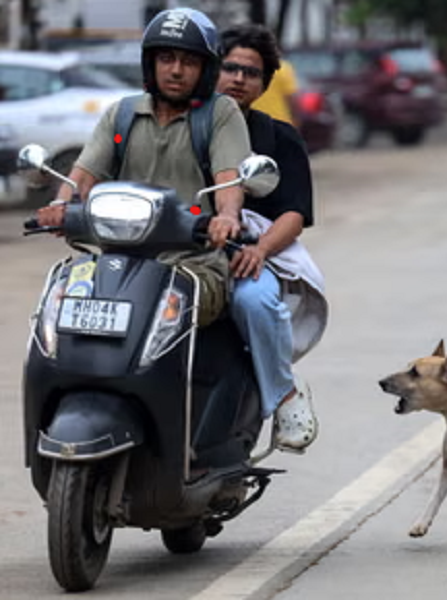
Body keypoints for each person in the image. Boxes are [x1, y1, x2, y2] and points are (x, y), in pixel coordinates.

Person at [36, 7, 251, 327]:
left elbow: (228, 181)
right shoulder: (121, 114)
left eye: (189, 62)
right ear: (150, 63)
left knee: (165, 310)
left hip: (192, 264)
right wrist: (59, 205)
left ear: (205, 69)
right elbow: (82, 176)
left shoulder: (219, 114)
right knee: (60, 304)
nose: (176, 70)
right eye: (166, 59)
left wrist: (227, 217)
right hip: (114, 261)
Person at [218, 24, 327, 453]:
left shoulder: (279, 138)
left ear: (265, 84)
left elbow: (294, 215)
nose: (238, 79)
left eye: (251, 72)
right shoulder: (184, 126)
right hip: (180, 251)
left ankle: (283, 394)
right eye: (229, 68)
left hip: (244, 252)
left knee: (255, 300)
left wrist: (259, 250)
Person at [251, 57, 301, 128]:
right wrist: (296, 120)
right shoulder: (283, 68)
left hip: (254, 123)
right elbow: (291, 99)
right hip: (280, 124)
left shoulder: (251, 69)